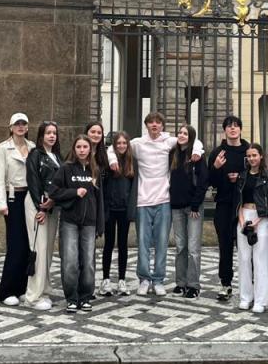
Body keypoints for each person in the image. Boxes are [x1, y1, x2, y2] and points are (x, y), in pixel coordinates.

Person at [126, 111, 202, 296]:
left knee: (162, 243)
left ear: (162, 125)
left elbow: (193, 140)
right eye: (151, 122)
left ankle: (158, 279)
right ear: (146, 125)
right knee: (142, 243)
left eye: (158, 122)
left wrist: (197, 151)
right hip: (143, 201)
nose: (154, 125)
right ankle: (144, 279)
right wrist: (112, 159)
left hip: (164, 201)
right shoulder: (138, 143)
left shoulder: (169, 142)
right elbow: (116, 147)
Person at [49, 134, 103, 313]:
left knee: (88, 261)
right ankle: (71, 298)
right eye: (78, 147)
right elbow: (53, 191)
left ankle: (85, 297)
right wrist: (74, 192)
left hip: (89, 223)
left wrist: (100, 224)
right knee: (70, 261)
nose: (82, 150)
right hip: (70, 222)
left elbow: (100, 199)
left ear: (90, 149)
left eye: (85, 147)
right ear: (74, 149)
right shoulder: (66, 169)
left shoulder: (95, 170)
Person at [0, 112, 33, 306]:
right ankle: (7, 290)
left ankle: (22, 288)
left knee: (28, 245)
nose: (20, 127)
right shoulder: (4, 148)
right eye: (17, 124)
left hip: (30, 198)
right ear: (11, 127)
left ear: (27, 127)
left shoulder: (32, 147)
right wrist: (2, 204)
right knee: (15, 245)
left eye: (23, 123)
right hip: (13, 198)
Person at [208, 115, 249, 303]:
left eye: (236, 126)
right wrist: (216, 167)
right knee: (225, 247)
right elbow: (210, 182)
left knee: (246, 247)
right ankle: (226, 284)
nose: (233, 129)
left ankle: (249, 284)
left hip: (245, 206)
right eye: (229, 126)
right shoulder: (218, 153)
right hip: (224, 204)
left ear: (240, 129)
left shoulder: (249, 151)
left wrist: (239, 178)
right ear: (224, 130)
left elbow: (257, 175)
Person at [23, 120, 62, 311]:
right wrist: (40, 207)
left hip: (51, 206)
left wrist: (52, 202)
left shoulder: (56, 156)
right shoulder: (35, 154)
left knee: (47, 250)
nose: (52, 136)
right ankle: (33, 296)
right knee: (38, 249)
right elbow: (32, 181)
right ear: (41, 136)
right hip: (37, 205)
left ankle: (44, 289)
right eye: (48, 133)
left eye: (54, 133)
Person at [168, 124, 208, 297]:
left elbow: (203, 181)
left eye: (185, 133)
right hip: (176, 206)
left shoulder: (197, 155)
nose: (182, 135)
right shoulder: (173, 154)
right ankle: (180, 283)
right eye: (180, 132)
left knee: (193, 248)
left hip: (193, 208)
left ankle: (193, 285)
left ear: (191, 137)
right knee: (180, 247)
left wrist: (195, 204)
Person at [236, 143, 268, 314]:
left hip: (261, 218)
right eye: (249, 156)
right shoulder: (242, 176)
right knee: (244, 259)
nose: (251, 158)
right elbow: (238, 200)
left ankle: (260, 300)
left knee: (260, 259)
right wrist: (242, 220)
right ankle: (245, 297)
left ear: (261, 156)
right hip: (244, 217)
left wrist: (258, 220)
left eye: (254, 155)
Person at [99, 130, 136, 296]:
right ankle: (106, 279)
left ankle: (122, 279)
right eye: (118, 143)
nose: (121, 146)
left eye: (124, 143)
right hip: (110, 208)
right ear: (114, 145)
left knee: (123, 244)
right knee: (108, 244)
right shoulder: (108, 161)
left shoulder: (131, 161)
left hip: (124, 209)